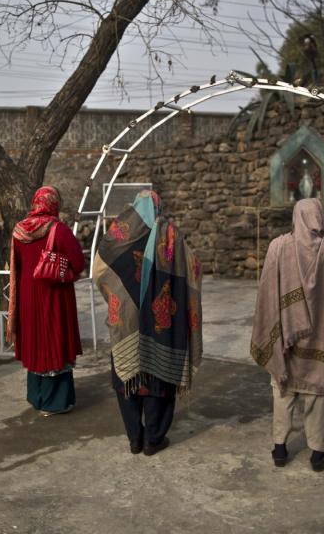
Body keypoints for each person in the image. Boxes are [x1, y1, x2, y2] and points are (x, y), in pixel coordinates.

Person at [93, 190, 203, 456]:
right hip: (161, 317)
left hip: (126, 319)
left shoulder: (118, 231)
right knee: (158, 374)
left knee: (127, 375)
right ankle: (154, 439)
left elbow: (98, 270)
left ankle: (135, 438)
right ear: (157, 206)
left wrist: (117, 294)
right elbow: (191, 267)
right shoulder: (170, 233)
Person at [251, 198, 324, 471]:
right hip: (322, 337)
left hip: (285, 335)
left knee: (283, 387)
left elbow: (267, 293)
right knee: (319, 390)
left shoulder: (277, 247)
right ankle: (318, 453)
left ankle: (280, 448)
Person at [6, 186, 85, 417]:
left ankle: (37, 397)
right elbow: (78, 263)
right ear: (53, 204)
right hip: (54, 296)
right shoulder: (58, 230)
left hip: (28, 297)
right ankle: (54, 402)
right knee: (53, 342)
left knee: (36, 343)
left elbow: (16, 267)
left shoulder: (19, 231)